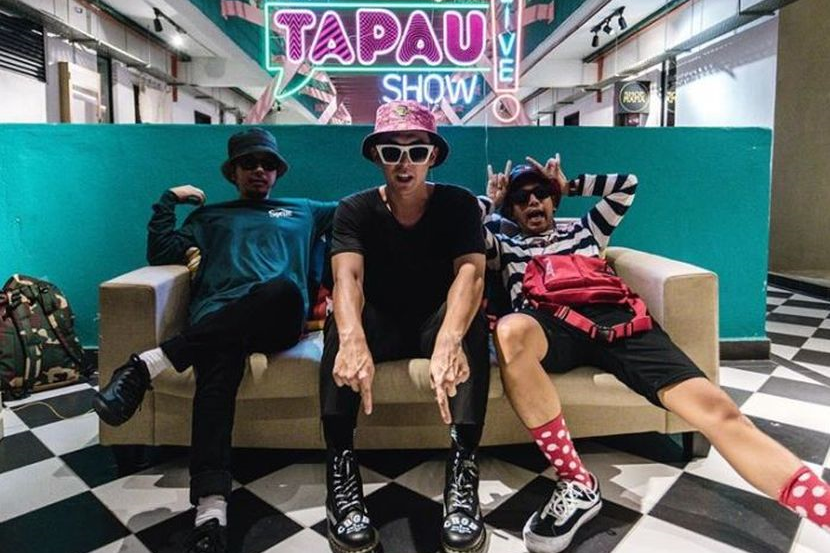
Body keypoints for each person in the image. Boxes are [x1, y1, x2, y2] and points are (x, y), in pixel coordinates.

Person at [482, 157, 830, 553]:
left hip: (616, 320)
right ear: (511, 209)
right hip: (548, 324)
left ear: (553, 200)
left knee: (717, 409)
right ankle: (576, 480)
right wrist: (492, 201)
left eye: (541, 193)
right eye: (521, 197)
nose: (532, 201)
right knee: (510, 330)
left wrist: (568, 185)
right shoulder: (503, 244)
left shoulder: (585, 230)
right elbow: (462, 229)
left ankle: (822, 507)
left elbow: (626, 185)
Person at [92, 128, 337, 553]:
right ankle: (211, 510)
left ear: (277, 172)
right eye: (248, 164)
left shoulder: (304, 210)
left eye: (267, 164)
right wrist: (169, 200)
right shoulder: (208, 218)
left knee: (281, 289)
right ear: (233, 173)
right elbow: (161, 252)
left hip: (277, 316)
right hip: (218, 319)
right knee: (216, 379)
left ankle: (149, 364)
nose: (258, 170)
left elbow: (368, 207)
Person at [319, 101, 490, 553]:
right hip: (383, 323)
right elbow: (347, 278)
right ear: (377, 156)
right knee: (340, 326)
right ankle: (341, 473)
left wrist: (450, 339)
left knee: (470, 325)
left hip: (435, 321)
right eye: (392, 152)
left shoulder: (458, 203)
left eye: (416, 151)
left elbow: (471, 273)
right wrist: (352, 339)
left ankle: (463, 472)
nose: (404, 163)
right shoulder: (354, 209)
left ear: (432, 156)